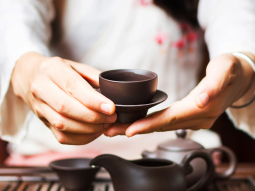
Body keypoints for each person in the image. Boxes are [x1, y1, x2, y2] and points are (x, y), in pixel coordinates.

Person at [0, 0, 254, 165]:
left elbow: (235, 19)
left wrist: (243, 64)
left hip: (181, 162)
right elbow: (17, 18)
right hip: (54, 158)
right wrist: (26, 65)